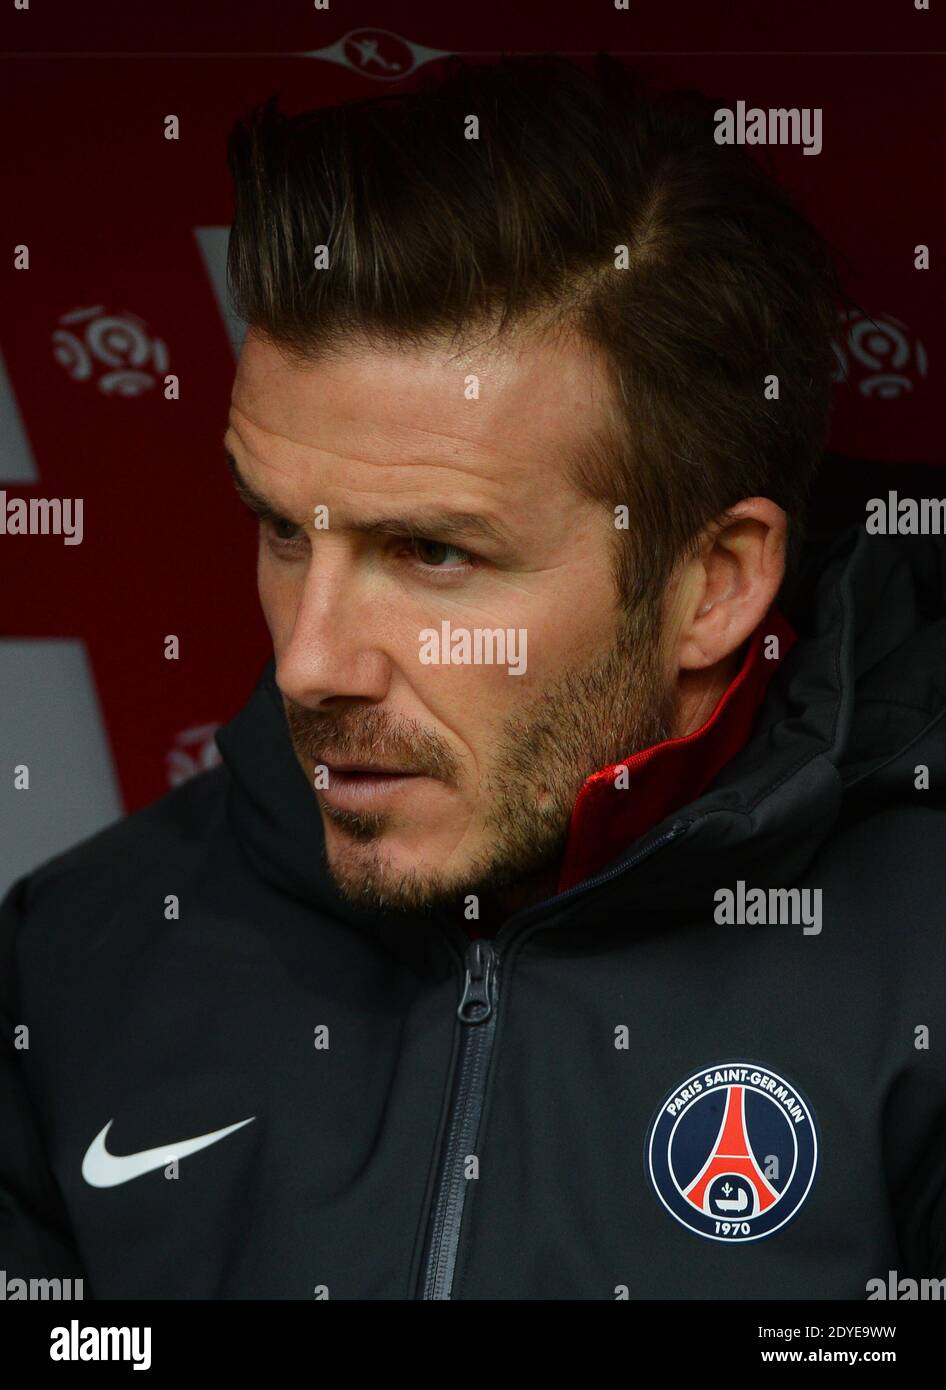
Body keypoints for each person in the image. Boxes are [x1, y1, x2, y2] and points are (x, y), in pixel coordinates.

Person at [2, 53, 944, 1300]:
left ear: (713, 584)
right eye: (286, 529)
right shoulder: (78, 961)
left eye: (432, 551)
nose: (310, 660)